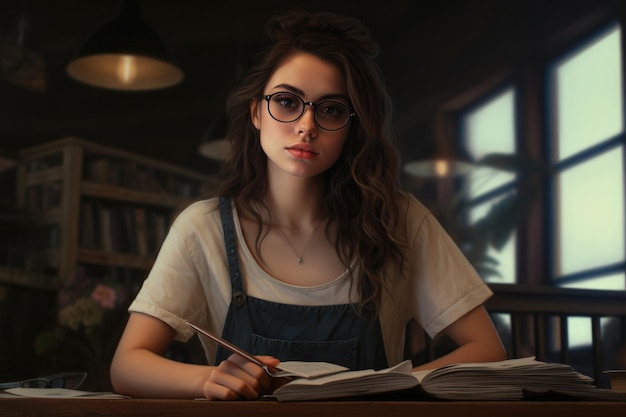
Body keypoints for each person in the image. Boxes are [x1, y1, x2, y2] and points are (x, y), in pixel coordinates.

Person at [110, 10, 506, 400]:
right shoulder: (203, 227)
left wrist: (391, 389)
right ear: (256, 113)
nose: (306, 125)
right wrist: (206, 379)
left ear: (352, 128)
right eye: (287, 102)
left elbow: (488, 351)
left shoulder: (399, 222)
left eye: (331, 109)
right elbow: (128, 365)